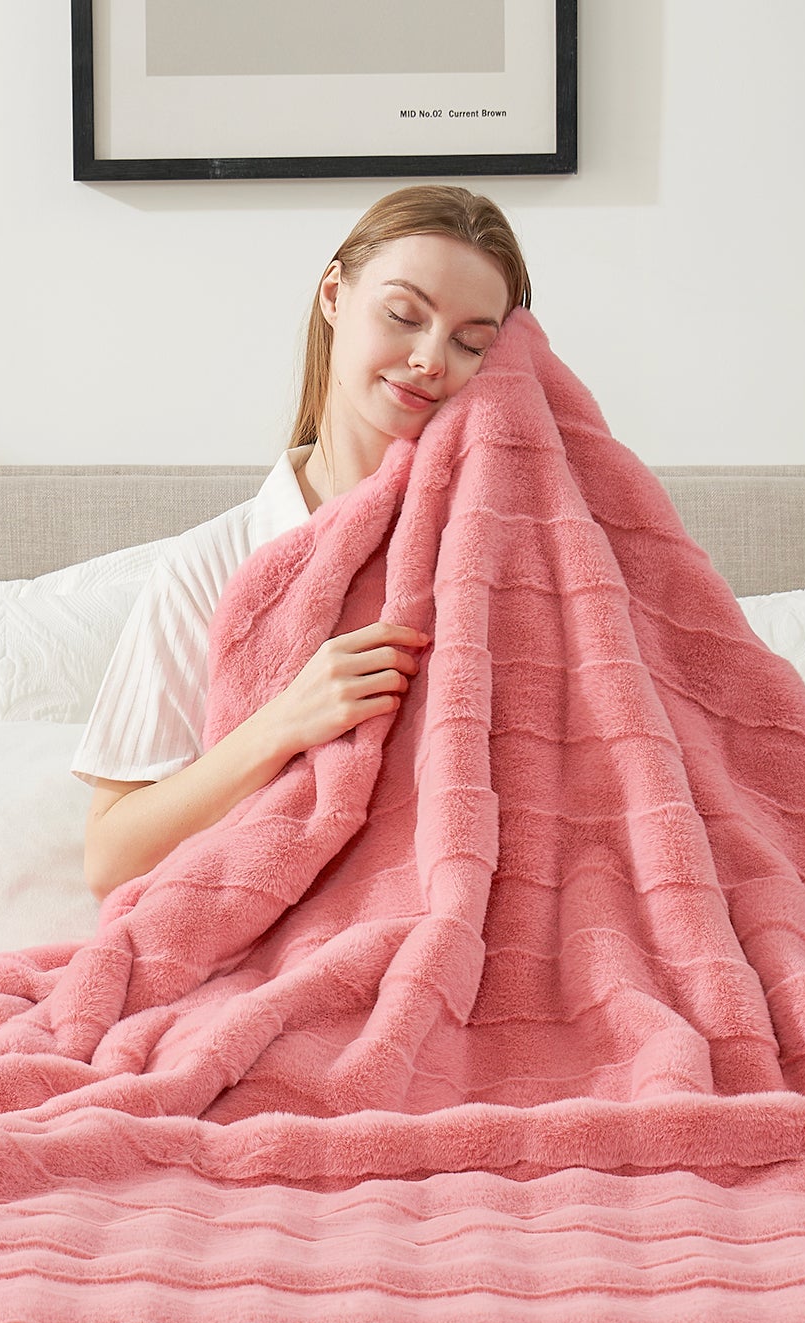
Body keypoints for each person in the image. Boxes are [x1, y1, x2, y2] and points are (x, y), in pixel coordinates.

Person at [73, 184, 533, 902]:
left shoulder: (506, 559)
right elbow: (111, 857)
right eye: (404, 315)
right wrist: (286, 722)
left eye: (471, 342)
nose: (430, 359)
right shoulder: (211, 567)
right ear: (334, 295)